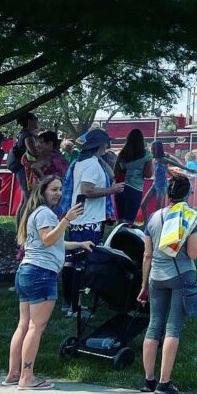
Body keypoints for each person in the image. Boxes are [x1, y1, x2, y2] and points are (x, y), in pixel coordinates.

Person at [5, 177, 93, 389]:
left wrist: (79, 243)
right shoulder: (45, 213)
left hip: (27, 271)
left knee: (23, 325)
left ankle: (13, 374)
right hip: (41, 274)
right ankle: (27, 378)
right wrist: (67, 220)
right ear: (42, 191)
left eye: (60, 189)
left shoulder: (35, 213)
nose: (58, 193)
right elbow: (48, 239)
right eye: (54, 189)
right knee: (36, 327)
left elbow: (54, 242)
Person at [138, 174, 197, 394]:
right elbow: (193, 253)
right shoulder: (190, 217)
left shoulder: (153, 217)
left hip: (156, 276)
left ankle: (149, 380)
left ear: (168, 194)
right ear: (186, 194)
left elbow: (147, 255)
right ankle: (165, 383)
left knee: (154, 326)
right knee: (172, 328)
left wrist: (144, 285)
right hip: (181, 275)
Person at [64, 128, 124, 314]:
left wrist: (101, 159)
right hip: (87, 221)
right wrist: (112, 190)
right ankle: (75, 305)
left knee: (74, 263)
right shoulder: (90, 164)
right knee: (83, 264)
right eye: (107, 142)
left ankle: (71, 303)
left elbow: (109, 175)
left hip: (81, 218)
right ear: (100, 144)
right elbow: (87, 190)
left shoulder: (86, 162)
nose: (109, 145)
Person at [115, 128, 152, 225]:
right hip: (135, 189)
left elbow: (115, 173)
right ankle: (126, 238)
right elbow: (148, 174)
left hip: (120, 188)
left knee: (121, 220)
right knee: (129, 221)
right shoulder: (146, 155)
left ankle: (118, 237)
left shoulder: (122, 154)